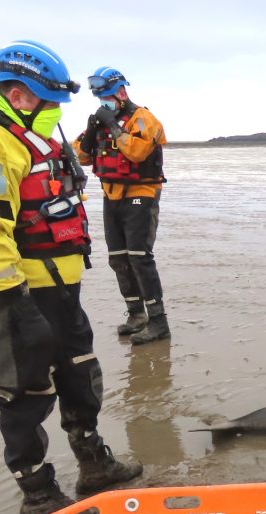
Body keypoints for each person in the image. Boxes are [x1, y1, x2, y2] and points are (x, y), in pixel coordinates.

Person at [0, 40, 142, 514]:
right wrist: (15, 301)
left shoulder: (22, 133)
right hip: (11, 289)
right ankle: (39, 494)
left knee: (79, 373)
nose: (54, 112)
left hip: (56, 283)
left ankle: (94, 465)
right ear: (22, 93)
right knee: (25, 391)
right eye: (49, 102)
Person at [74, 66, 169, 344]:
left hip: (141, 193)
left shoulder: (143, 119)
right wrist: (93, 130)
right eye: (98, 97)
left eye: (107, 95)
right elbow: (80, 156)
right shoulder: (100, 120)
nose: (103, 101)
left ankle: (158, 322)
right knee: (118, 257)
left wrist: (114, 127)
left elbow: (137, 152)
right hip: (112, 195)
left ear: (122, 92)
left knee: (140, 257)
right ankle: (136, 315)